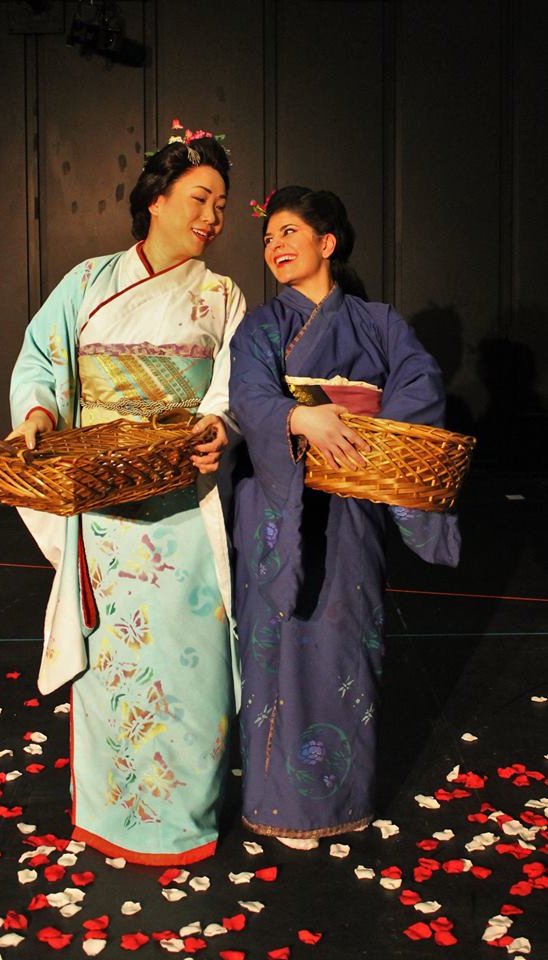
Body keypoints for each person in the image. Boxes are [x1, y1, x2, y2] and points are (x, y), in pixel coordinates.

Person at [7, 132, 246, 865]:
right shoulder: (87, 281)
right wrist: (41, 414)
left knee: (194, 665)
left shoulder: (222, 296)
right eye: (200, 199)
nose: (212, 217)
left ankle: (188, 818)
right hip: (107, 508)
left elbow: (234, 386)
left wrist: (220, 425)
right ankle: (118, 815)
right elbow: (43, 359)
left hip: (183, 504)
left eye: (222, 206)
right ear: (156, 199)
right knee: (118, 669)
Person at [229, 186, 460, 848]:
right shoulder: (260, 327)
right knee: (274, 646)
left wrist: (368, 428)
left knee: (344, 642)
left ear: (327, 244)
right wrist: (299, 416)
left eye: (291, 232)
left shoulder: (378, 321)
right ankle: (277, 803)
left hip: (350, 502)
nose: (275, 245)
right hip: (277, 505)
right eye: (269, 236)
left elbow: (421, 384)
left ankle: (341, 798)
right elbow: (247, 393)